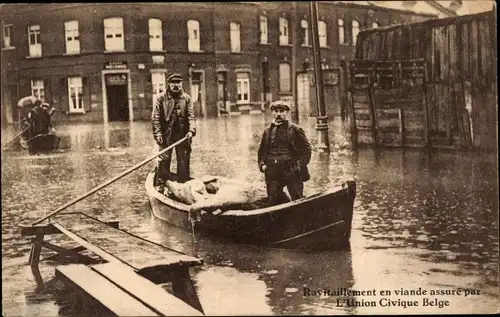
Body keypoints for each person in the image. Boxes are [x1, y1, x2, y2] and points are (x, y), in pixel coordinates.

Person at [258, 100, 312, 205]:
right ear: (272, 113)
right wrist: (262, 166)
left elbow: (307, 150)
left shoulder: (295, 129)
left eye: (281, 111)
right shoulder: (267, 131)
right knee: (273, 203)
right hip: (272, 172)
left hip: (291, 171)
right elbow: (261, 152)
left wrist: (298, 165)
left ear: (286, 112)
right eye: (276, 111)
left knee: (298, 201)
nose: (278, 114)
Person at [152, 73, 196, 189]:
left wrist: (191, 131)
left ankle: (184, 187)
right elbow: (155, 117)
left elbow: (191, 117)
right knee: (164, 161)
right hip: (166, 136)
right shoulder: (161, 98)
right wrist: (158, 134)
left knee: (183, 162)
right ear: (169, 84)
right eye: (173, 83)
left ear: (181, 84)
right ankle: (160, 187)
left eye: (178, 83)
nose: (176, 85)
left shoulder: (186, 98)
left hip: (182, 136)